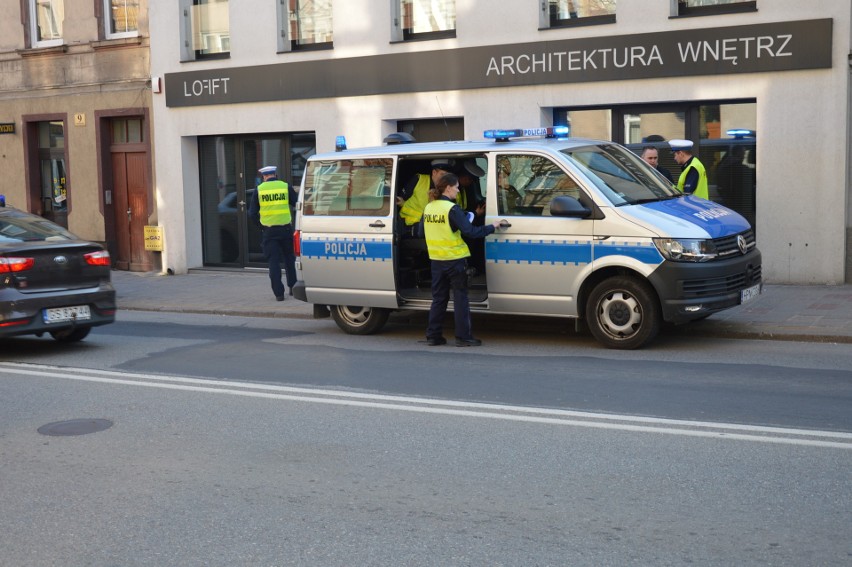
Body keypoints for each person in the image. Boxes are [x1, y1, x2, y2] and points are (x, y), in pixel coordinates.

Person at [422, 172, 501, 347]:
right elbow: (472, 232)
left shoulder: (429, 207)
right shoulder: (452, 209)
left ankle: (433, 336)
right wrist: (492, 227)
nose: (458, 190)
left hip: (436, 260)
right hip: (454, 260)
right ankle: (463, 337)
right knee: (460, 299)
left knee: (439, 299)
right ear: (448, 187)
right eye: (457, 187)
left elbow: (422, 231)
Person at [249, 165, 298, 301]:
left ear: (264, 177)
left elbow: (252, 213)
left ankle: (279, 294)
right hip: (286, 229)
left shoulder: (259, 189)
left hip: (269, 231)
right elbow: (296, 203)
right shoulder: (285, 186)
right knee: (289, 259)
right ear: (275, 175)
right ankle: (293, 288)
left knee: (274, 262)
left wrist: (262, 226)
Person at [396, 159, 455, 230]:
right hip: (410, 227)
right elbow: (399, 200)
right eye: (442, 174)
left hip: (432, 229)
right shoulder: (419, 179)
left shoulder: (447, 188)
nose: (444, 178)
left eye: (446, 176)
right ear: (434, 172)